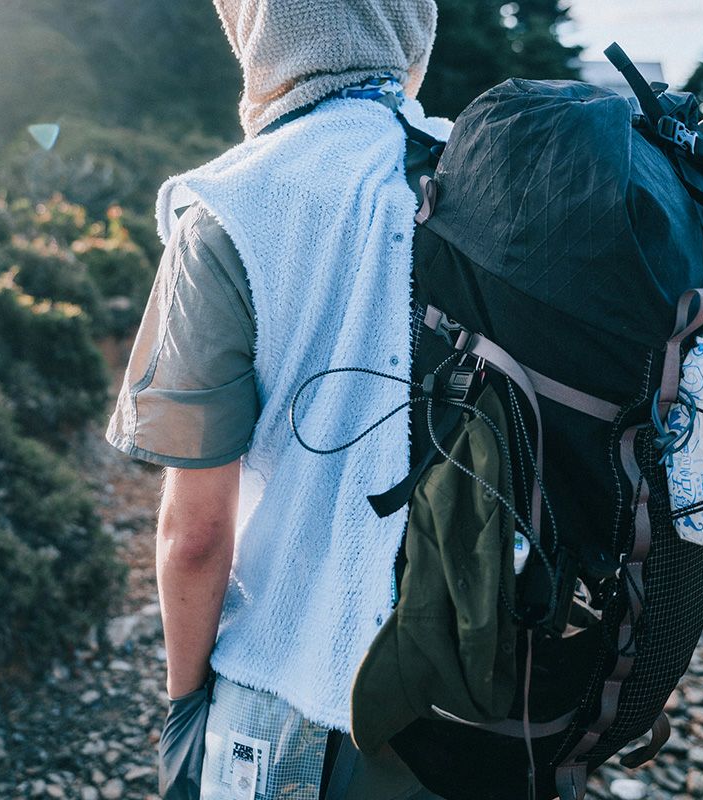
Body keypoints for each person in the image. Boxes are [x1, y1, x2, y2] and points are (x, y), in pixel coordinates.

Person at [105, 1, 452, 797]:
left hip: (292, 692)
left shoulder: (227, 210)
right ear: (413, 29)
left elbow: (196, 534)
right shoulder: (485, 178)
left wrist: (185, 705)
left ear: (253, 30)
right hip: (481, 691)